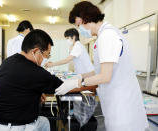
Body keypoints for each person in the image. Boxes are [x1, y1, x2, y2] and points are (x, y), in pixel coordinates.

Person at [55, 1, 149, 131]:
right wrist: (79, 77)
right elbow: (98, 71)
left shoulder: (107, 36)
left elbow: (105, 76)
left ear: (86, 18)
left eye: (79, 25)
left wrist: (78, 83)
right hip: (116, 105)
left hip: (122, 108)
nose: (79, 30)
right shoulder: (103, 36)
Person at [0, 29, 95, 131]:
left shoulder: (8, 62)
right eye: (47, 55)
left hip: (2, 122)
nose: (46, 59)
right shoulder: (33, 71)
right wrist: (95, 84)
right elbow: (63, 87)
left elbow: (17, 86)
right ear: (36, 51)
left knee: (45, 122)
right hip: (18, 126)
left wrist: (36, 92)